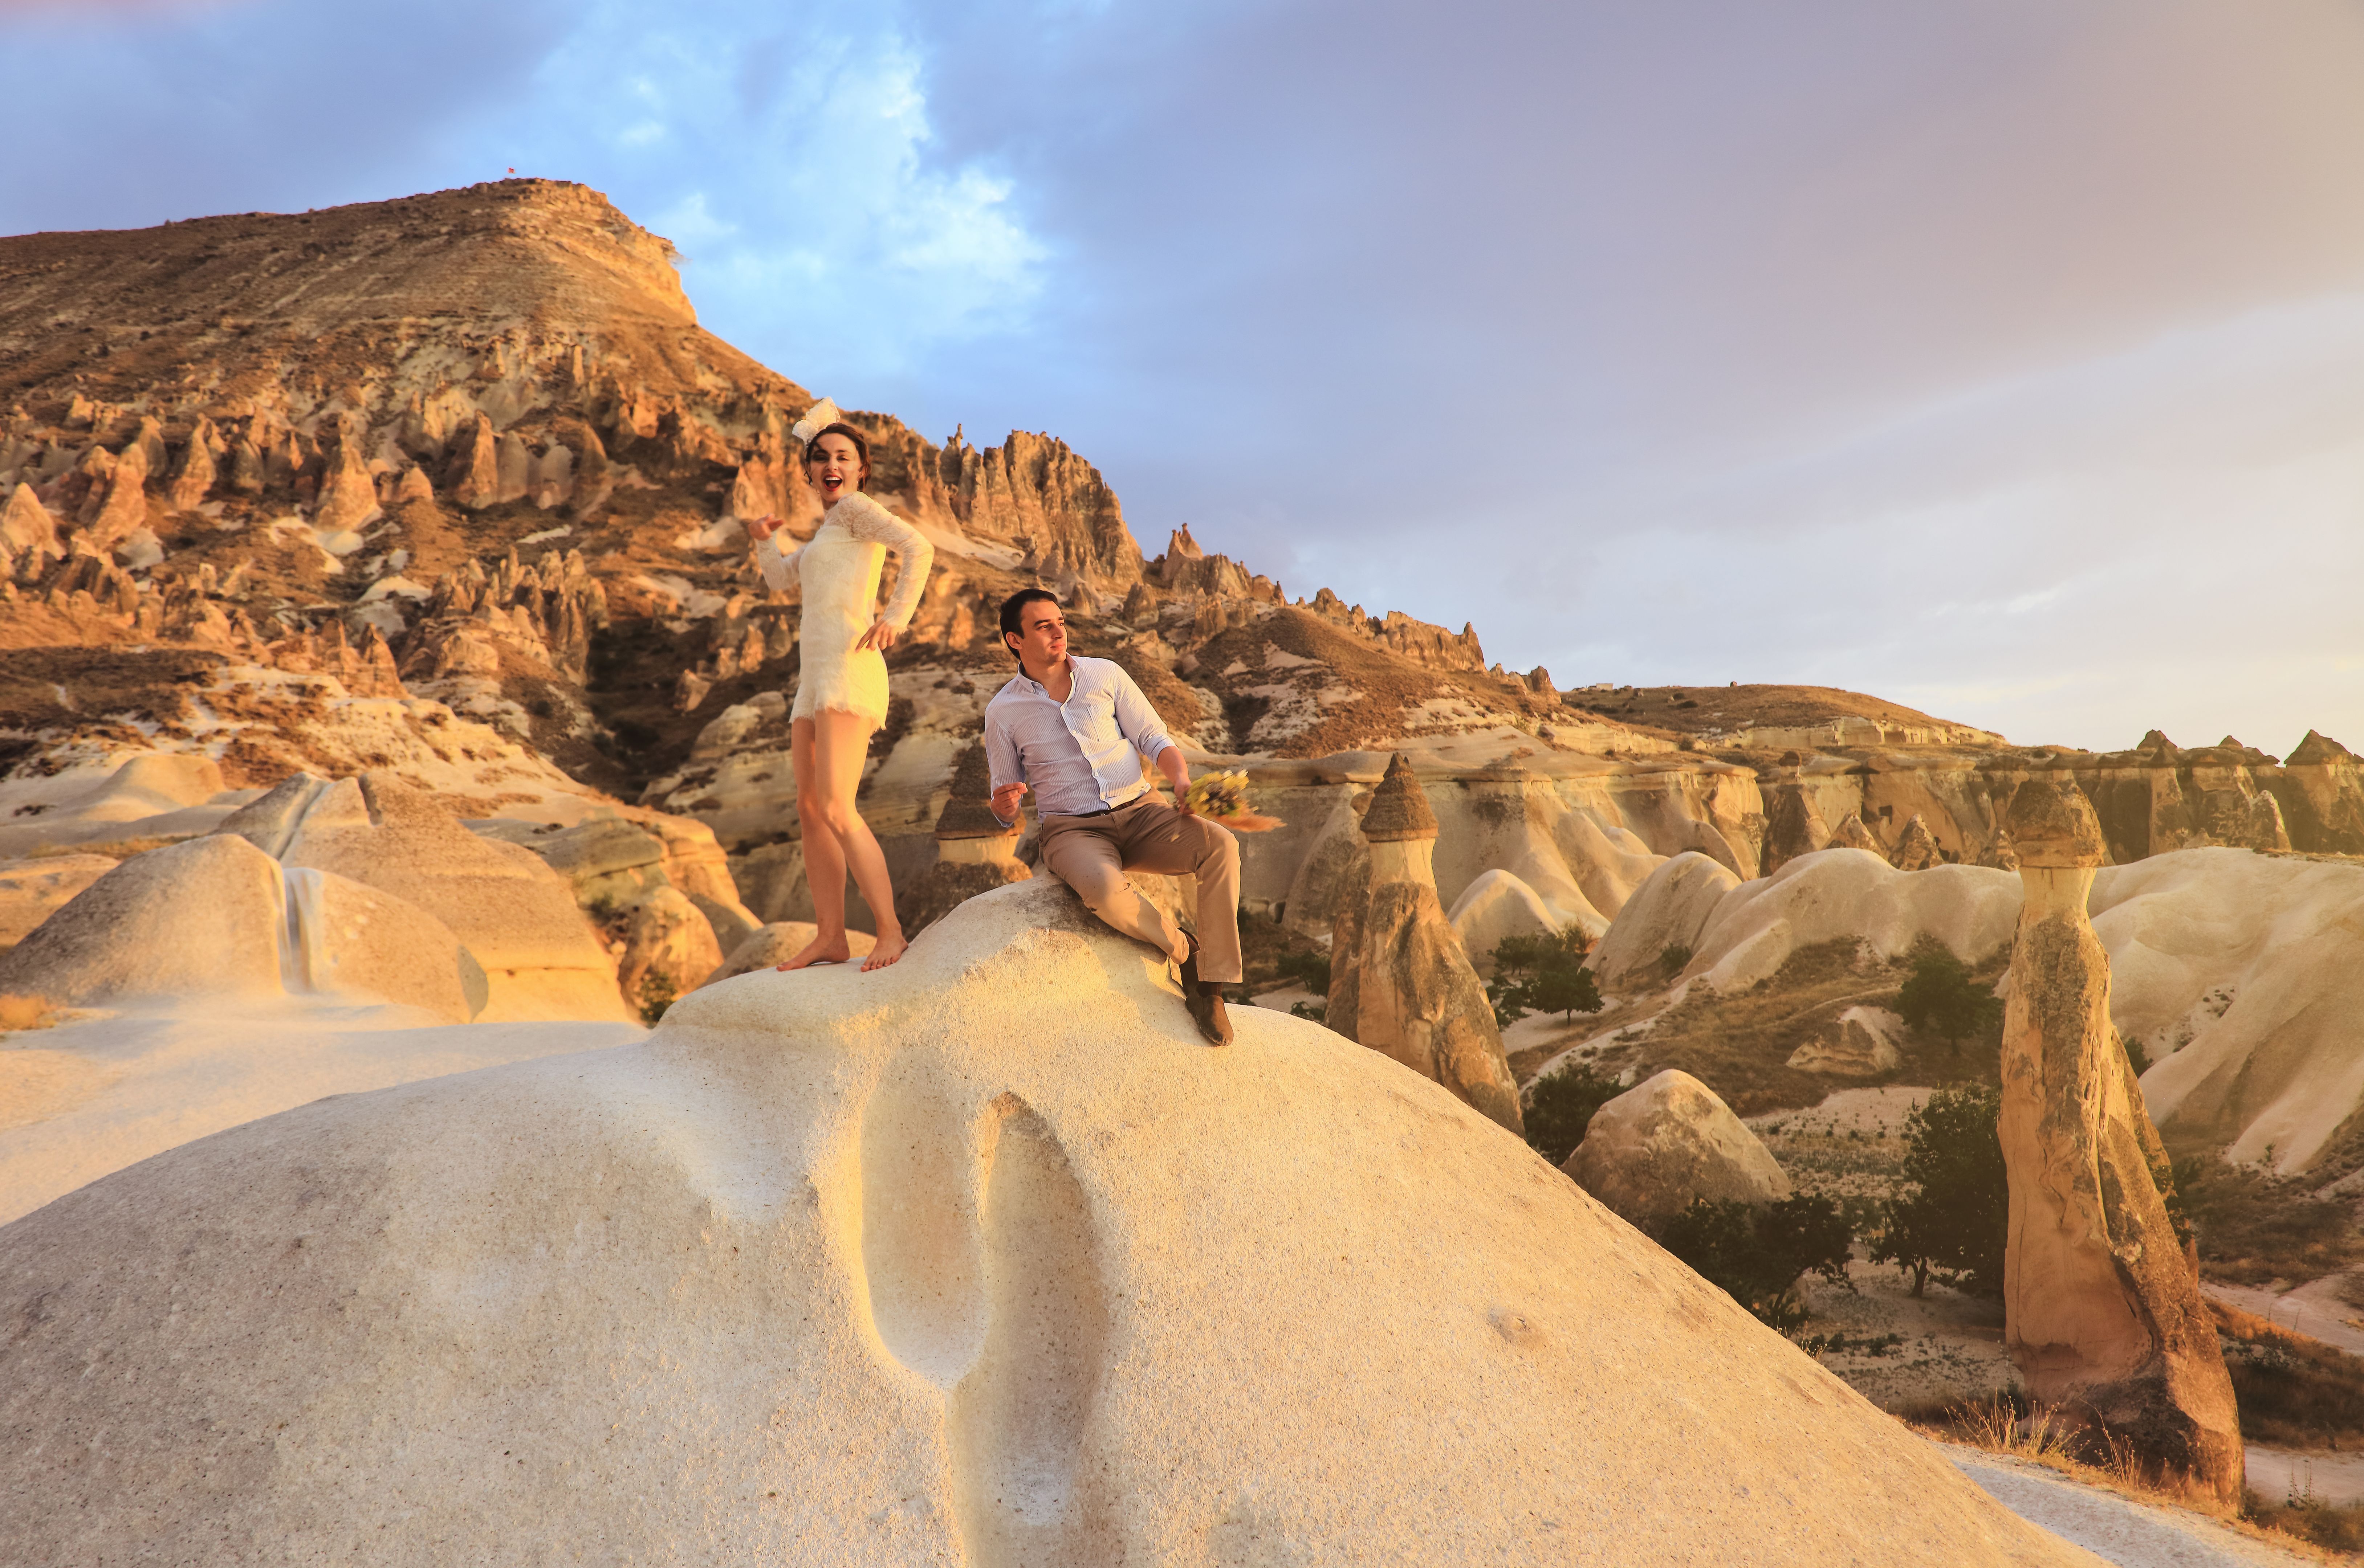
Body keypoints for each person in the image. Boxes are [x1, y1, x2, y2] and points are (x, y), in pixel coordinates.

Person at [982, 587, 1241, 1044]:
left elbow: (1154, 739)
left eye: (1060, 622)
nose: (1058, 632)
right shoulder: (1002, 711)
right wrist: (1004, 808)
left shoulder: (1105, 674)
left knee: (1220, 845)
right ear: (1014, 640)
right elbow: (1004, 794)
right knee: (1105, 893)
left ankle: (1212, 985)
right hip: (1071, 831)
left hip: (1142, 812)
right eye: (1043, 626)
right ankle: (1186, 952)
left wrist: (1181, 780)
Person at [746, 401, 934, 972]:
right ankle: (830, 937)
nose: (831, 465)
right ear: (808, 471)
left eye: (843, 457)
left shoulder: (855, 510)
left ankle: (890, 933)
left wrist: (895, 618)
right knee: (810, 809)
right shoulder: (829, 530)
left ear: (860, 469)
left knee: (834, 805)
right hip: (815, 678)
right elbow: (780, 578)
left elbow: (919, 547)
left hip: (851, 667)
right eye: (821, 457)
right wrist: (762, 539)